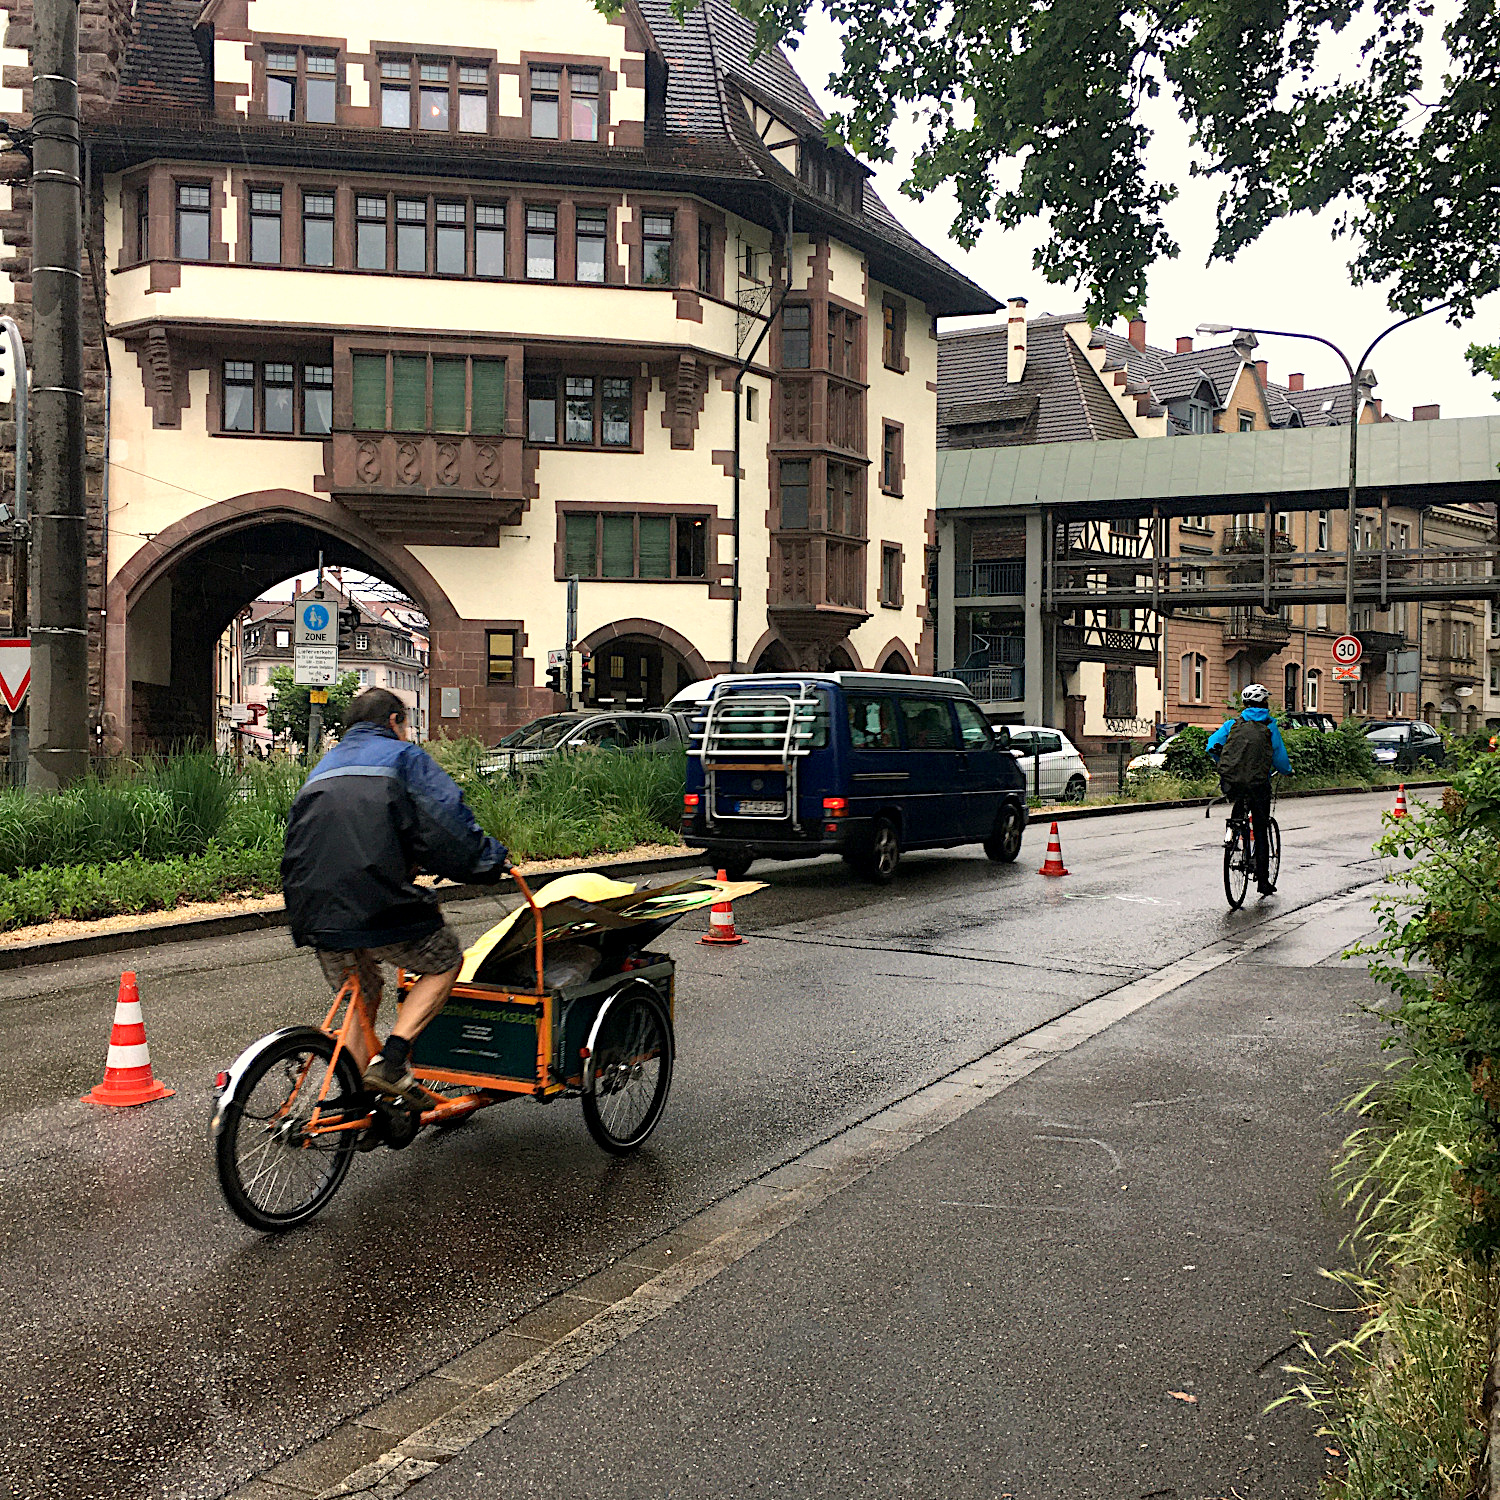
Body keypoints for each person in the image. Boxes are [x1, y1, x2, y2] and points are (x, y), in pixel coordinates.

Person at [281, 687, 509, 1099]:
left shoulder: (325, 766)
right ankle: (392, 1060)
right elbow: (446, 826)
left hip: (309, 902)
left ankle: (356, 1107)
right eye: (406, 724)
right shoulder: (404, 758)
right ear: (394, 721)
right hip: (372, 898)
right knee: (444, 959)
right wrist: (487, 862)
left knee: (362, 991)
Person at [1207, 683, 1292, 897]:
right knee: (1261, 829)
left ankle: (1233, 833)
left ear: (1245, 704)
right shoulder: (1269, 726)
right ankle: (1263, 881)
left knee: (1239, 811)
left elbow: (1211, 745)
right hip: (1258, 784)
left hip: (1234, 783)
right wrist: (1287, 770)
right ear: (1264, 703)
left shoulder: (1232, 724)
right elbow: (1279, 757)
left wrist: (1224, 764)